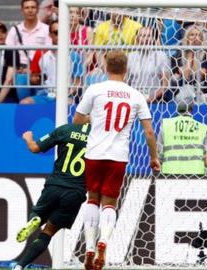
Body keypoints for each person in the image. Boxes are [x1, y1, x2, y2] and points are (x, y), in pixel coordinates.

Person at [73, 50, 160, 270]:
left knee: (91, 199)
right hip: (118, 157)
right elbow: (149, 133)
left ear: (105, 66)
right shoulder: (136, 95)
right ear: (126, 68)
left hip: (93, 154)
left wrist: (95, 120)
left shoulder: (94, 90)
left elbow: (76, 120)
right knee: (110, 203)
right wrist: (154, 157)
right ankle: (104, 240)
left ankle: (90, 246)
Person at [13, 123, 91, 270]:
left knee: (38, 213)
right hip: (75, 191)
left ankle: (35, 218)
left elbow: (34, 148)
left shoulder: (65, 129)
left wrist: (28, 138)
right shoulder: (98, 136)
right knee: (48, 232)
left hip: (55, 185)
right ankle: (19, 266)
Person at [5, 0, 52, 101]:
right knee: (24, 97)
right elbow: (8, 53)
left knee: (41, 100)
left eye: (33, 7)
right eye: (27, 8)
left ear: (37, 9)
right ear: (22, 10)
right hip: (21, 71)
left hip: (41, 72)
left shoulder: (46, 29)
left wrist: (33, 70)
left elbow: (49, 52)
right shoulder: (14, 30)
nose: (30, 10)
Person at [158, 97, 207, 175]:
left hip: (170, 173)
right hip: (196, 175)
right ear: (191, 110)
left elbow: (159, 153)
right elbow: (206, 156)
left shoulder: (166, 124)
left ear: (177, 108)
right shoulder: (203, 127)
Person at [171, 25, 207, 104]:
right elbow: (186, 76)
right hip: (184, 88)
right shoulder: (179, 55)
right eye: (192, 35)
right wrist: (191, 52)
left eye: (198, 35)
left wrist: (196, 52)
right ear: (187, 38)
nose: (195, 37)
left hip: (201, 89)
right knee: (186, 93)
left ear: (202, 39)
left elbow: (200, 75)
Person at [127, 26, 171, 103]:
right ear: (137, 39)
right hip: (133, 99)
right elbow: (125, 82)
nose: (146, 39)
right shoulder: (130, 56)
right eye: (143, 36)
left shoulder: (161, 56)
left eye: (149, 36)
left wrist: (152, 98)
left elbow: (165, 84)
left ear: (154, 39)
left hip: (155, 100)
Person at [20, 20, 58, 104]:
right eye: (56, 32)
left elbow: (77, 83)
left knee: (69, 104)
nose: (60, 35)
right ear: (50, 35)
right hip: (48, 94)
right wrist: (36, 79)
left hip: (67, 96)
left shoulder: (74, 55)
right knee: (24, 103)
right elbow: (34, 79)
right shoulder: (41, 54)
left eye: (63, 32)